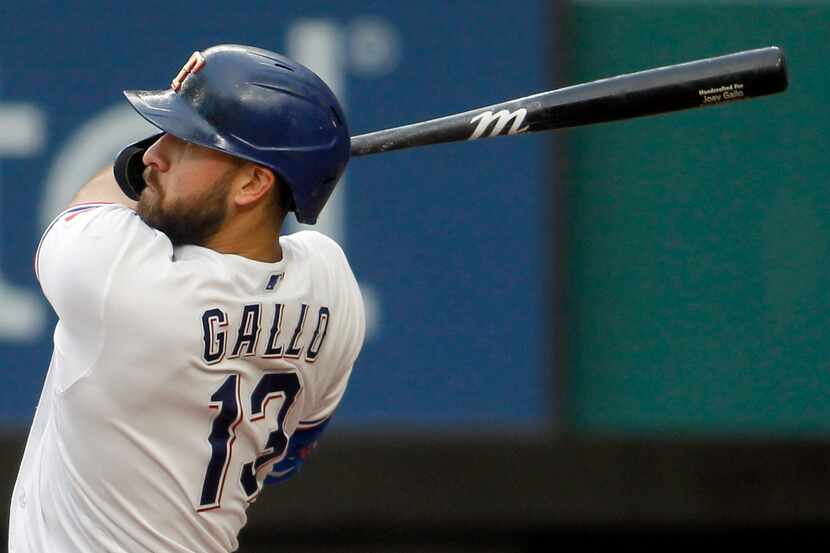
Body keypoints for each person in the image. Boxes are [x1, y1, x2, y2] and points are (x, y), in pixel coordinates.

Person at [9, 44, 365, 553]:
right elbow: (286, 459)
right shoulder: (332, 285)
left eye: (187, 142)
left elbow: (110, 184)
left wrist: (133, 167)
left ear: (253, 184)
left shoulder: (118, 278)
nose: (154, 153)